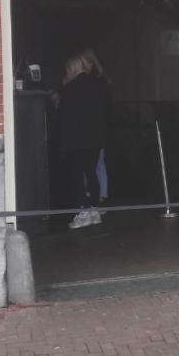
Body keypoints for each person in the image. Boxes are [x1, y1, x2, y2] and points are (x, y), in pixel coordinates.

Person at [58, 52, 111, 229]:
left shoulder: (70, 89)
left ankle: (82, 211)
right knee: (92, 173)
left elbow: (66, 118)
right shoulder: (98, 85)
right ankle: (94, 210)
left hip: (76, 139)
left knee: (77, 175)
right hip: (95, 138)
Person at [80, 48, 110, 207]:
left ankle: (97, 195)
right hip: (98, 129)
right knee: (97, 163)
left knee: (95, 163)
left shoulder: (95, 82)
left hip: (95, 130)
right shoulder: (99, 82)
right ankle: (99, 194)